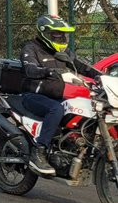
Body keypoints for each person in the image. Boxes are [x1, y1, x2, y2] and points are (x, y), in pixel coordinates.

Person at [20, 14, 100, 176]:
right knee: (56, 109)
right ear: (45, 33)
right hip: (33, 95)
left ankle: (74, 148)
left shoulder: (66, 53)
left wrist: (101, 76)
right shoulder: (31, 48)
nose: (62, 37)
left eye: (64, 35)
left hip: (58, 94)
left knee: (86, 108)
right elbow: (30, 69)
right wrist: (51, 71)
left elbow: (83, 66)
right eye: (57, 34)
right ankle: (39, 151)